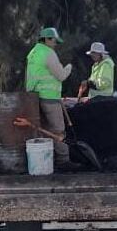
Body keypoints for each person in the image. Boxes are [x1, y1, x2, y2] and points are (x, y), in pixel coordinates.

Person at [25, 26, 73, 167]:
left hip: (35, 98)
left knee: (45, 130)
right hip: (50, 98)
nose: (55, 44)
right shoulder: (48, 53)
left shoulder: (33, 53)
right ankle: (64, 161)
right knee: (58, 130)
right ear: (46, 39)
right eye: (54, 41)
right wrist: (69, 67)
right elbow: (61, 75)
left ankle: (48, 159)